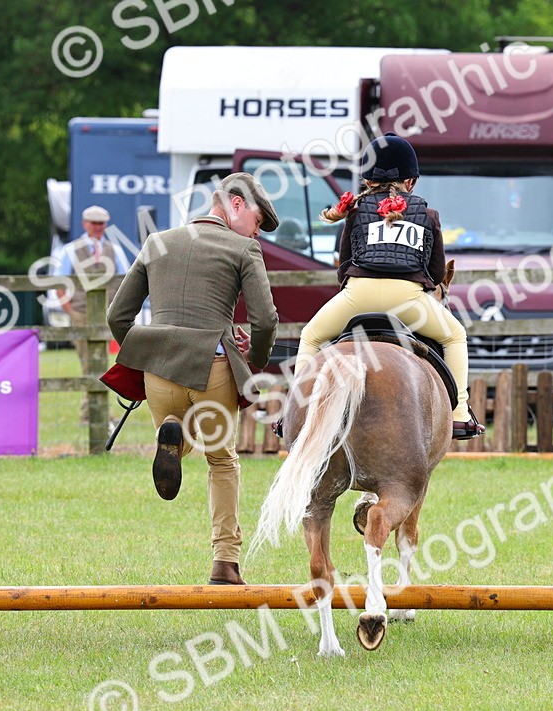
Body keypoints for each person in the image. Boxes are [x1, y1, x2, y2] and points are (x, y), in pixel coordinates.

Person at [108, 173, 279, 586]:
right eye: (257, 220)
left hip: (159, 372)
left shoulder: (157, 242)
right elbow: (265, 320)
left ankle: (174, 435)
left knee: (178, 436)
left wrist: (144, 352)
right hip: (213, 368)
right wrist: (254, 359)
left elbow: (117, 316)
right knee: (222, 461)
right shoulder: (244, 249)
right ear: (235, 204)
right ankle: (225, 563)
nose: (257, 231)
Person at [295, 132, 484, 439]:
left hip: (358, 296)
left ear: (368, 181)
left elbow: (344, 269)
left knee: (311, 336)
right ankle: (460, 414)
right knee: (455, 336)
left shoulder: (355, 212)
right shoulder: (428, 214)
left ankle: (297, 412)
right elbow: (437, 273)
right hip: (407, 299)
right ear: (411, 182)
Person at [55, 205, 132, 418]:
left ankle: (94, 413)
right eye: (94, 223)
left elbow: (126, 279)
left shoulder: (114, 250)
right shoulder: (70, 250)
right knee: (88, 362)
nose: (98, 227)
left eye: (101, 223)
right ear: (85, 224)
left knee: (100, 361)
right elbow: (59, 283)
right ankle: (96, 413)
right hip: (81, 312)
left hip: (105, 314)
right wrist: (70, 310)